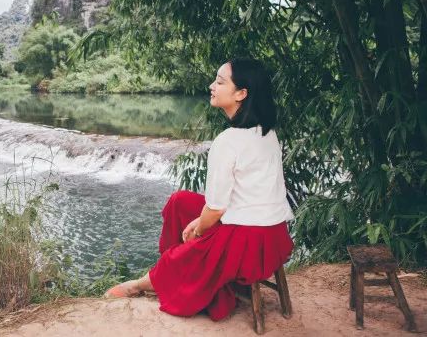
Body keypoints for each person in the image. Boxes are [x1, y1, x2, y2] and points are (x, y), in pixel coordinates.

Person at [104, 58, 294, 321]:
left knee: (193, 236)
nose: (212, 86)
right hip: (273, 238)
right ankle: (174, 270)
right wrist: (200, 219)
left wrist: (199, 229)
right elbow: (232, 201)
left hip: (247, 245)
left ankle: (144, 283)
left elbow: (215, 209)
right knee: (180, 201)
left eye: (220, 82)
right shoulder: (267, 133)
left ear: (241, 94)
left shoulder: (227, 142)